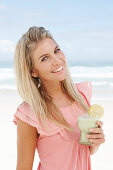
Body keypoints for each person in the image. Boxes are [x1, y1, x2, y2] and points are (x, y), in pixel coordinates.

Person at [12, 26, 105, 170]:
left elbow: (83, 152)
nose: (57, 60)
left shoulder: (82, 95)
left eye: (56, 50)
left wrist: (96, 143)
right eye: (44, 58)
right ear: (33, 71)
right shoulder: (29, 114)